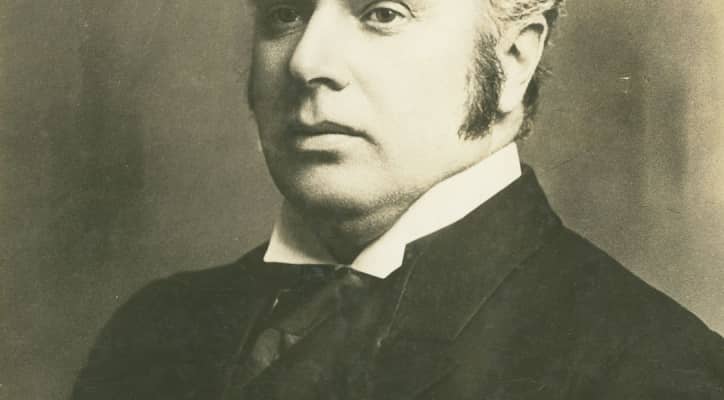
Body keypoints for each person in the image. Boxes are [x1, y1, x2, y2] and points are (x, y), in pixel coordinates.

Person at [72, 0, 724, 398]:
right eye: (284, 14)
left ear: (512, 59)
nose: (306, 62)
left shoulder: (656, 369)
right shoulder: (152, 331)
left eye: (382, 13)